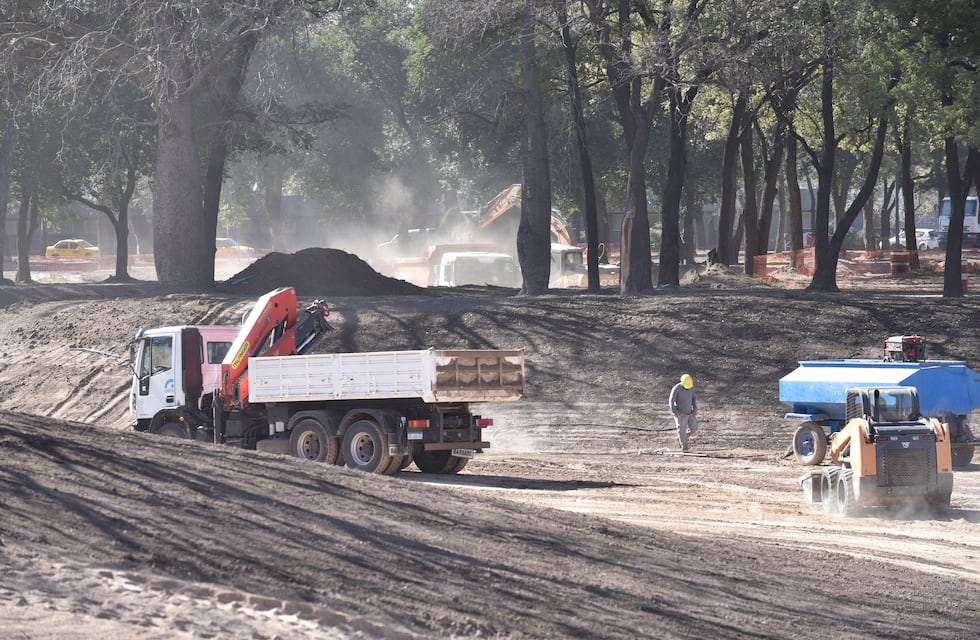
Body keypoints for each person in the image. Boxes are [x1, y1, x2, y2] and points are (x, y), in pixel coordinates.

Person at [669, 374, 698, 451]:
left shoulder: (691, 388)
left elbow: (693, 399)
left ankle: (682, 437)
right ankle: (684, 447)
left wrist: (695, 409)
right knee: (681, 430)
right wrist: (675, 412)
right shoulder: (676, 388)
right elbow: (671, 401)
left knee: (694, 427)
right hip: (680, 414)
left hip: (690, 413)